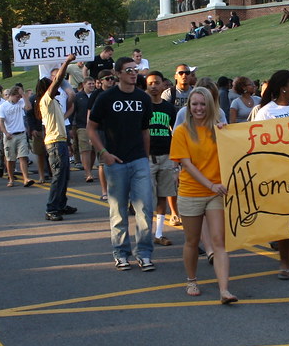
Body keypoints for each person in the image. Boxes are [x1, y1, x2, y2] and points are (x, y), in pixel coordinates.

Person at [170, 87, 237, 304]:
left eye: (203, 104)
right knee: (191, 241)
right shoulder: (181, 131)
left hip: (215, 193)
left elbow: (236, 147)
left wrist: (227, 132)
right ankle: (191, 279)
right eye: (194, 104)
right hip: (191, 193)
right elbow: (187, 165)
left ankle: (224, 290)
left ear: (210, 105)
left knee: (219, 242)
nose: (198, 108)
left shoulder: (218, 130)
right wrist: (210, 184)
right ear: (188, 106)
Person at [88, 56, 155, 271]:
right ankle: (121, 253)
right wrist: (104, 153)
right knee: (118, 211)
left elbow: (145, 130)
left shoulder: (143, 99)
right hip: (115, 161)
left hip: (139, 160)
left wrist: (146, 157)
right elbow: (91, 128)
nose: (133, 73)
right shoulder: (106, 98)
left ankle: (144, 253)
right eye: (128, 70)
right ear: (117, 73)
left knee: (144, 208)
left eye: (135, 70)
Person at [250, 70, 289, 279]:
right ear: (283, 88)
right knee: (284, 222)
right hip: (278, 176)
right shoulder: (266, 112)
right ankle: (283, 264)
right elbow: (257, 143)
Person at [37, 55, 77, 221]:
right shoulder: (46, 100)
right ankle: (51, 208)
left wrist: (67, 142)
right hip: (54, 143)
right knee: (58, 176)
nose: (58, 87)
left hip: (60, 141)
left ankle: (60, 204)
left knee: (64, 176)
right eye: (52, 84)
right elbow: (58, 80)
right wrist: (66, 62)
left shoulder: (55, 103)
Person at [145, 72, 177, 246]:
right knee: (147, 196)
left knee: (163, 195)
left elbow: (175, 130)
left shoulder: (168, 108)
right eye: (150, 83)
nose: (154, 86)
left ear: (163, 85)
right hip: (147, 156)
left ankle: (159, 233)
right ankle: (145, 233)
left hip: (166, 155)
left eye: (157, 83)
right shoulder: (142, 106)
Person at [0, 86, 34, 188]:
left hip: (21, 134)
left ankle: (26, 178)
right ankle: (11, 178)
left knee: (23, 156)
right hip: (10, 135)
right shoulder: (3, 106)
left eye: (19, 97)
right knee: (10, 159)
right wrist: (5, 132)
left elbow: (29, 107)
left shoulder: (20, 102)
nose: (18, 99)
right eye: (17, 97)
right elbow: (1, 122)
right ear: (11, 95)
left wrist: (23, 94)